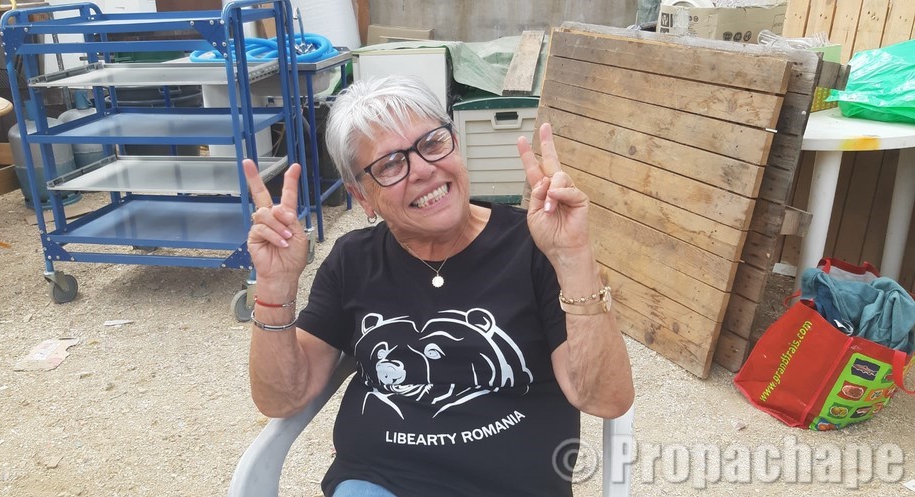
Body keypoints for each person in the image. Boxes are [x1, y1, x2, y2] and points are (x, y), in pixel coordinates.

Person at [242, 76, 634, 497]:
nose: (424, 170)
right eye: (390, 164)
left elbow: (606, 399)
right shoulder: (352, 261)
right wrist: (275, 286)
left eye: (432, 143)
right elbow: (282, 399)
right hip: (377, 482)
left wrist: (574, 256)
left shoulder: (535, 246)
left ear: (456, 146)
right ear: (362, 196)